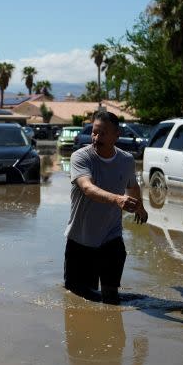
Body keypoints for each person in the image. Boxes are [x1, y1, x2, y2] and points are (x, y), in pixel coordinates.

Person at [64, 110, 147, 303]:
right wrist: (118, 200)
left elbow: (132, 186)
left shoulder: (126, 160)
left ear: (117, 135)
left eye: (102, 133)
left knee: (111, 298)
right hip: (80, 240)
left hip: (111, 236)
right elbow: (87, 188)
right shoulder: (80, 157)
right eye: (94, 132)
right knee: (79, 299)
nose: (96, 138)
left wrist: (140, 208)